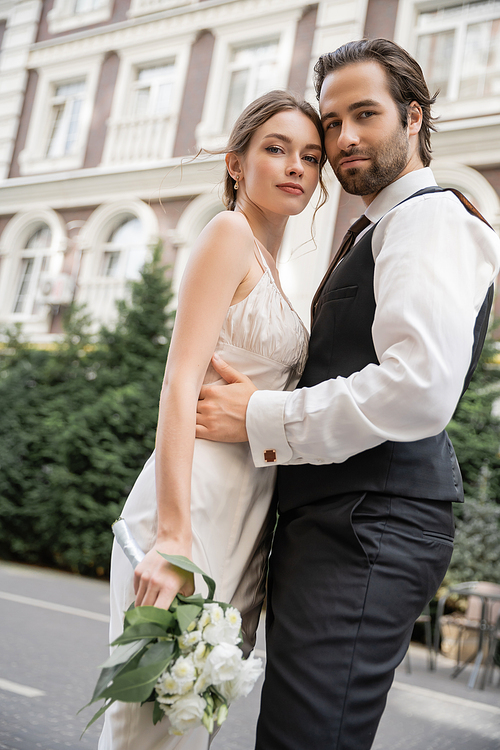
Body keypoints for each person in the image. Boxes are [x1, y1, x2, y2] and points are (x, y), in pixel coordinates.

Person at [195, 39, 500, 750]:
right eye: (331, 122)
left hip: (370, 524)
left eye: (365, 114)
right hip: (345, 518)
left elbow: (418, 388)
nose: (344, 138)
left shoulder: (429, 220)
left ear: (414, 117)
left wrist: (258, 415)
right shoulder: (381, 225)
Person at [98, 90, 327, 750]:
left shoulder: (278, 270)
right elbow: (179, 382)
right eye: (276, 149)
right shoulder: (229, 234)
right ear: (235, 163)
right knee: (145, 725)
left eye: (310, 157)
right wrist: (172, 535)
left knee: (191, 720)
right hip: (189, 509)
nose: (296, 168)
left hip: (245, 519)